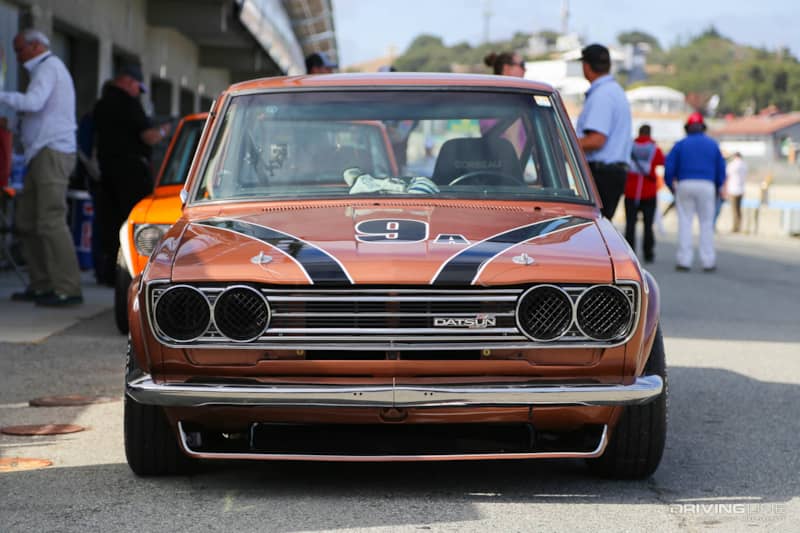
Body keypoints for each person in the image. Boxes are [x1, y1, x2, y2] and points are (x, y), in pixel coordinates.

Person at [0, 29, 83, 306]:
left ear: (36, 46)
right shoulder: (45, 69)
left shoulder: (49, 68)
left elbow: (34, 103)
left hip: (53, 152)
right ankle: (42, 284)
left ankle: (67, 288)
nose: (17, 56)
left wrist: (2, 95)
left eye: (19, 50)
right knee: (27, 221)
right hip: (41, 153)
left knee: (50, 220)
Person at [92, 63, 171, 285]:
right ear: (127, 82)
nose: (139, 92)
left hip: (107, 171)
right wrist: (167, 130)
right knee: (134, 223)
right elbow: (149, 137)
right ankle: (130, 272)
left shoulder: (101, 105)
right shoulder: (128, 104)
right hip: (131, 174)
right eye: (138, 87)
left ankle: (107, 273)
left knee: (109, 221)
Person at [576, 44, 632, 220]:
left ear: (586, 66)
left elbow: (596, 140)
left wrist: (563, 145)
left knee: (592, 229)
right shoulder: (614, 91)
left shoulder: (602, 95)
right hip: (611, 172)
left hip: (602, 173)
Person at [665, 112, 726, 272]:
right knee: (707, 223)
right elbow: (721, 168)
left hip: (685, 183)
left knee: (685, 222)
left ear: (688, 128)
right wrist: (718, 186)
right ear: (703, 128)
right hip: (707, 185)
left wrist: (671, 187)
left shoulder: (680, 144)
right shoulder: (713, 144)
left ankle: (684, 260)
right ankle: (708, 260)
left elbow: (669, 168)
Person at [624, 124, 665, 263]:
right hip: (648, 192)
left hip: (631, 191)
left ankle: (630, 253)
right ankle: (648, 253)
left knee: (630, 224)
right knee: (648, 225)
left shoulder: (629, 147)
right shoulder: (654, 148)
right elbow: (661, 161)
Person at [725, 152, 748, 232]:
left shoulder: (732, 165)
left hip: (733, 189)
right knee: (739, 209)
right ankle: (739, 225)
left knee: (734, 209)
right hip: (741, 189)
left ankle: (735, 227)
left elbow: (727, 176)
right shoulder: (744, 165)